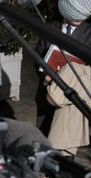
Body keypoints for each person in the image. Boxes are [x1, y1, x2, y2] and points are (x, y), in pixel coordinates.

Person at [35, 0, 91, 136]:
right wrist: (45, 76)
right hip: (48, 93)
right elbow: (38, 55)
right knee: (44, 135)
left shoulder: (89, 32)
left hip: (74, 97)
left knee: (65, 139)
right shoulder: (50, 27)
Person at [46, 63, 91, 156]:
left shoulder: (74, 68)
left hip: (63, 129)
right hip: (76, 128)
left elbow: (55, 98)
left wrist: (49, 81)